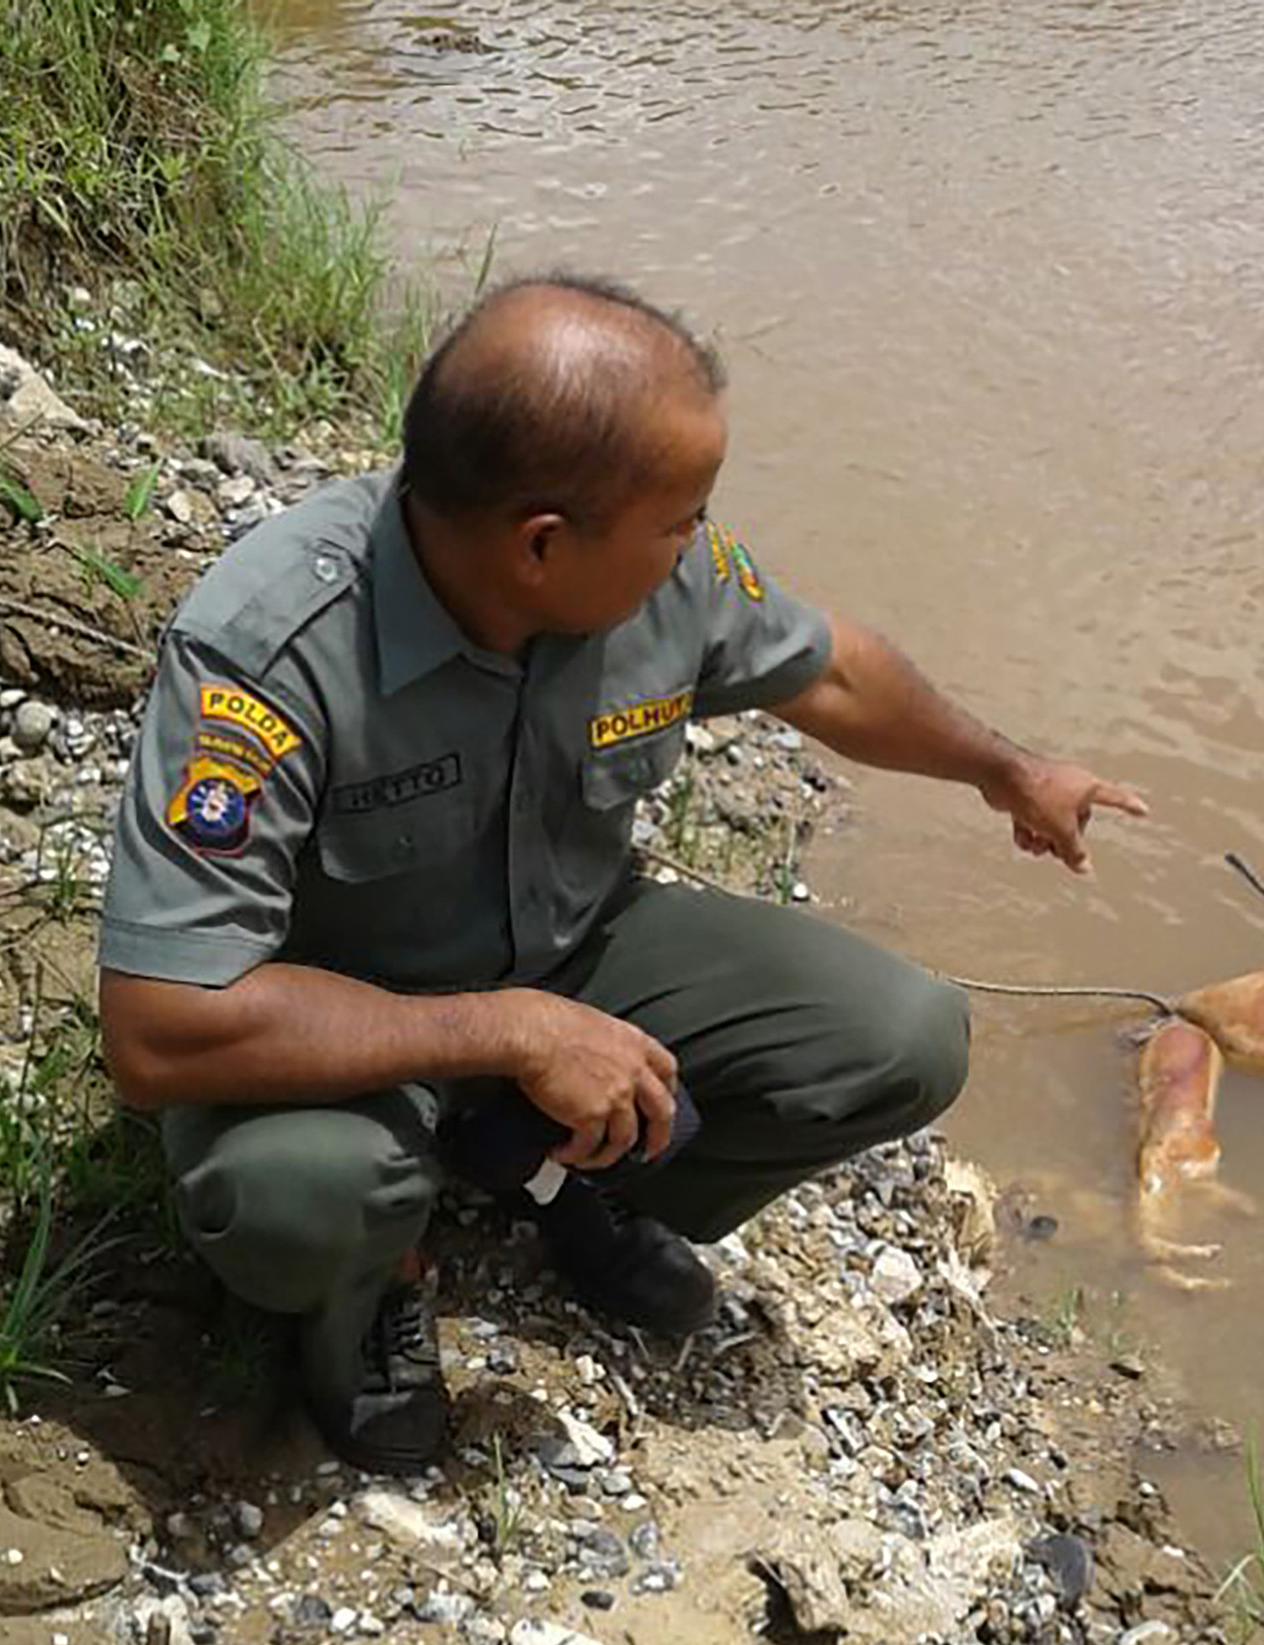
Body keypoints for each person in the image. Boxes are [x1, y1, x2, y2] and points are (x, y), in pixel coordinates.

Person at [94, 274, 1146, 1474]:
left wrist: (1007, 769)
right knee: (305, 1197)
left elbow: (833, 671)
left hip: (570, 948)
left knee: (901, 1037)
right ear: (542, 544)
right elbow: (159, 1029)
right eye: (683, 516)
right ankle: (376, 1282)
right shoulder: (271, 650)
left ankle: (579, 1178)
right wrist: (509, 1031)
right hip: (343, 1026)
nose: (699, 542)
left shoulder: (657, 577)